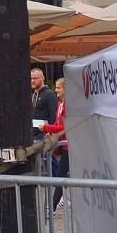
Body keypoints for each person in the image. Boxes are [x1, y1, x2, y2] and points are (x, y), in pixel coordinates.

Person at [42, 78, 68, 209]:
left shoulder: (68, 105)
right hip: (63, 145)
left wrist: (46, 127)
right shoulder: (60, 104)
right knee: (61, 173)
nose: (56, 90)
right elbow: (58, 123)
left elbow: (64, 126)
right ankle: (54, 204)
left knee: (61, 174)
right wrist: (50, 132)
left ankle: (53, 206)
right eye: (56, 87)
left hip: (69, 145)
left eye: (58, 88)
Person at [29, 67, 57, 139]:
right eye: (31, 78)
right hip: (32, 136)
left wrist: (50, 132)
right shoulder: (32, 95)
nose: (32, 81)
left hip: (44, 136)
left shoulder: (49, 94)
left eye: (35, 78)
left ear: (43, 78)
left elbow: (54, 115)